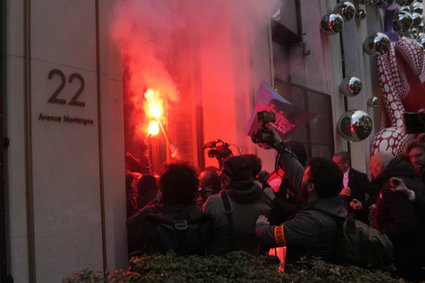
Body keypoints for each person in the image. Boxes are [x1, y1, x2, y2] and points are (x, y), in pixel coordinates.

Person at [256, 157, 347, 264]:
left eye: (304, 176)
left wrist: (261, 225)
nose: (300, 179)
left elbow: (268, 236)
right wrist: (279, 145)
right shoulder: (333, 208)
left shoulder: (310, 222)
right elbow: (296, 172)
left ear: (311, 187)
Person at [127, 162, 208, 257]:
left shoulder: (151, 214)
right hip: (194, 269)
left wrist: (155, 201)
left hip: (160, 269)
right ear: (193, 187)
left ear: (162, 187)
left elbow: (129, 227)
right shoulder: (198, 213)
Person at [370, 151, 425, 281]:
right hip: (418, 251)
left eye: (371, 167)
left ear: (379, 165)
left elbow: (405, 224)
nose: (371, 171)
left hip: (405, 255)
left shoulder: (393, 184)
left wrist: (380, 236)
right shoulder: (412, 178)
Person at [203, 156, 272, 256]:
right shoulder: (266, 202)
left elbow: (203, 237)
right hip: (252, 268)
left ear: (226, 178)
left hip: (217, 268)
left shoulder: (214, 203)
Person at [332, 151, 377, 223]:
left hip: (358, 219)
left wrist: (363, 205)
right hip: (338, 219)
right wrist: (340, 194)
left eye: (336, 164)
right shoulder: (332, 178)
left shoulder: (360, 177)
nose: (333, 166)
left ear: (346, 163)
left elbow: (375, 193)